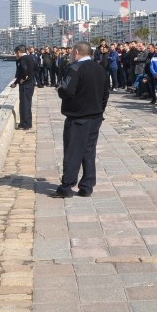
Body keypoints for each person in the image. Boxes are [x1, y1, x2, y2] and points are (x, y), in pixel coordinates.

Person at [53, 41, 110, 198]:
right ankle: (87, 186)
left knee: (73, 151)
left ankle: (67, 186)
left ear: (77, 52)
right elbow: (106, 93)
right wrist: (100, 108)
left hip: (78, 117)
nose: (71, 55)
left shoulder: (75, 68)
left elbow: (67, 90)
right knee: (88, 151)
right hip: (95, 116)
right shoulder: (100, 69)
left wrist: (60, 90)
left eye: (72, 52)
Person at [10, 44, 36, 130]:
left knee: (24, 105)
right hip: (30, 84)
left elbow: (23, 71)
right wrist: (16, 82)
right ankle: (28, 123)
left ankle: (25, 124)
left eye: (16, 53)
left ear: (19, 52)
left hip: (26, 85)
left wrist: (24, 78)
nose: (15, 55)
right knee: (28, 104)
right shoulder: (30, 57)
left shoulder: (23, 59)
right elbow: (37, 68)